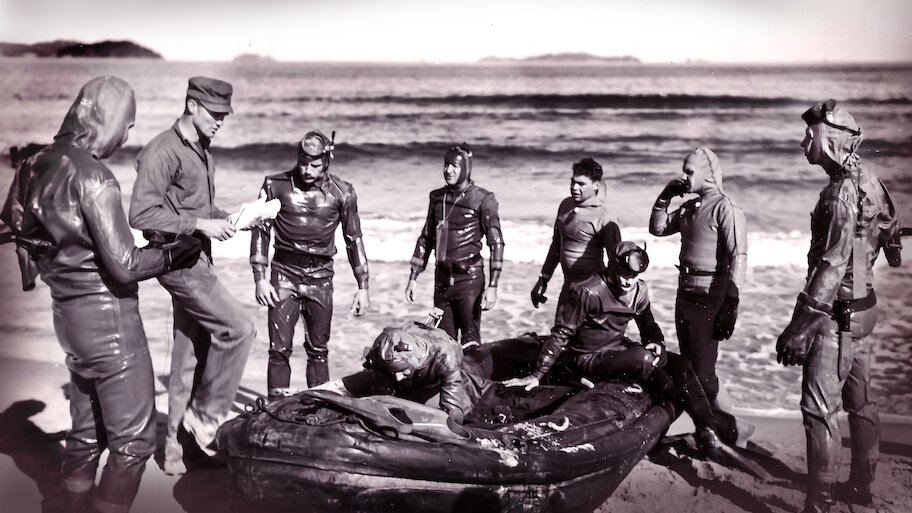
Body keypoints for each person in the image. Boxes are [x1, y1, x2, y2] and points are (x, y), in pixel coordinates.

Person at [1, 76, 201, 513]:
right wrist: (175, 253)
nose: (126, 138)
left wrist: (43, 263)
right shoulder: (94, 176)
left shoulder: (32, 165)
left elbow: (15, 234)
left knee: (85, 434)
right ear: (104, 118)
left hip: (67, 321)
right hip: (111, 325)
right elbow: (125, 264)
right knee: (134, 444)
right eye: (126, 127)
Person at [776, 100, 900, 513]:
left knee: (819, 411)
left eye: (808, 136)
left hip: (836, 320)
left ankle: (820, 503)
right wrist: (881, 254)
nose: (802, 144)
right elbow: (890, 229)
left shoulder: (837, 195)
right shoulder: (872, 181)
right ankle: (862, 486)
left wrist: (799, 330)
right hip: (865, 310)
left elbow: (829, 267)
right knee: (861, 404)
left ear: (827, 139)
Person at [130, 76, 256, 475]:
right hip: (178, 262)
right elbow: (141, 214)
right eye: (214, 113)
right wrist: (201, 224)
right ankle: (205, 419)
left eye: (225, 115)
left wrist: (236, 218)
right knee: (239, 328)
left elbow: (198, 207)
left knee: (188, 356)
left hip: (197, 258)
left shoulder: (202, 149)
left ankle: (176, 452)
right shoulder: (162, 151)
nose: (220, 121)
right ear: (191, 105)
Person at [505, 242, 730, 458]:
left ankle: (707, 431)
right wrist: (537, 374)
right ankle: (676, 398)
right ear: (612, 265)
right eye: (624, 274)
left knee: (680, 363)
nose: (628, 282)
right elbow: (561, 334)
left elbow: (648, 325)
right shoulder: (587, 291)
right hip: (587, 357)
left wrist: (656, 342)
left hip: (617, 348)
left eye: (634, 276)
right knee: (643, 359)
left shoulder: (639, 290)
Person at [250, 130, 370, 400]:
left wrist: (363, 286)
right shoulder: (274, 185)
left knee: (318, 350)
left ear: (326, 162)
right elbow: (261, 231)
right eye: (303, 163)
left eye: (314, 165)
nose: (307, 170)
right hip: (283, 275)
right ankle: (275, 407)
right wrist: (260, 278)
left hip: (321, 278)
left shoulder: (343, 192)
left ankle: (318, 407)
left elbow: (354, 240)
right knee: (278, 349)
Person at [648, 146, 748, 442]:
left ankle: (733, 429)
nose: (684, 176)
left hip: (710, 299)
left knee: (703, 374)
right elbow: (657, 228)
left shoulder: (725, 208)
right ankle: (719, 429)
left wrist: (732, 302)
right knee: (692, 370)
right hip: (685, 296)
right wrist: (665, 196)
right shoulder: (690, 208)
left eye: (689, 171)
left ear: (709, 173)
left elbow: (739, 255)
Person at [405, 143, 504, 350]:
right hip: (442, 280)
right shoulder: (437, 197)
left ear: (466, 168)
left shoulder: (483, 199)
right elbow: (426, 238)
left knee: (470, 343)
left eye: (454, 166)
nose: (448, 170)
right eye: (445, 164)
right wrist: (413, 277)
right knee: (443, 344)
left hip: (469, 280)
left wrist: (493, 285)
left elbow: (496, 243)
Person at [314, 320, 480, 424]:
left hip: (432, 386)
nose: (399, 377)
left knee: (446, 413)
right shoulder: (381, 349)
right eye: (395, 372)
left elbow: (453, 412)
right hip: (392, 375)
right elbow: (380, 397)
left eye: (402, 371)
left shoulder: (445, 357)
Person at [531, 157, 620, 308]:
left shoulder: (605, 218)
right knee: (560, 324)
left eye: (581, 184)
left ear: (596, 185)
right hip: (568, 288)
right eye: (572, 182)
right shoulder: (565, 206)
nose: (574, 187)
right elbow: (556, 246)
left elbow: (616, 264)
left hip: (594, 292)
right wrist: (543, 279)